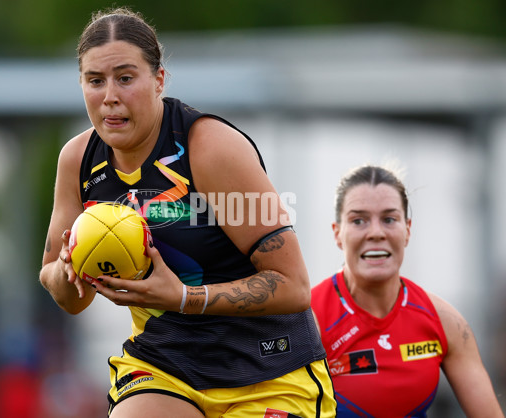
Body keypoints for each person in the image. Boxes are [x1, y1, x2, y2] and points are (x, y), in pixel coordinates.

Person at [39, 7, 336, 418]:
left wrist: (183, 297)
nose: (110, 96)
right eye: (95, 81)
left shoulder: (210, 148)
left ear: (159, 79)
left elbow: (293, 286)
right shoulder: (78, 159)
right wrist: (71, 267)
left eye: (125, 78)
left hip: (267, 368)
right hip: (165, 363)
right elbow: (65, 294)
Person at [310, 164, 504, 417]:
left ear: (408, 230)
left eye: (389, 219)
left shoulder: (445, 322)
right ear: (337, 234)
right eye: (359, 220)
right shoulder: (308, 319)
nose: (376, 233)